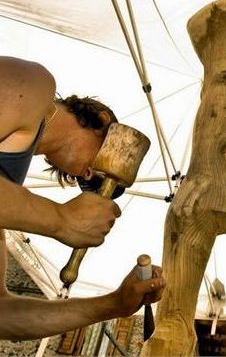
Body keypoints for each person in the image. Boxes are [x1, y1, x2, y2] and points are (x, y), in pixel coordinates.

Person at [0, 56, 165, 340]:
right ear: (101, 119)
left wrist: (111, 305)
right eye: (100, 165)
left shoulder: (9, 190)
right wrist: (60, 219)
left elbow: (2, 314)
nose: (89, 175)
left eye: (92, 182)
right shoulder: (35, 85)